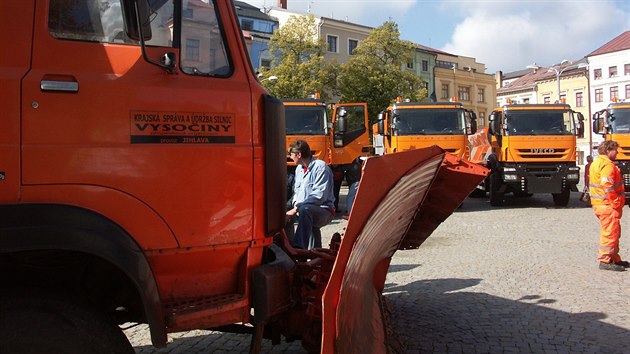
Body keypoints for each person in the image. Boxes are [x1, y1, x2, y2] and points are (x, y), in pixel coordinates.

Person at [286, 140, 335, 249]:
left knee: (306, 210)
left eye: (291, 154)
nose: (290, 157)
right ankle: (316, 255)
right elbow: (297, 193)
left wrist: (295, 210)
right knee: (302, 213)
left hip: (324, 210)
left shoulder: (321, 168)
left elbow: (319, 196)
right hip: (304, 210)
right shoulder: (299, 169)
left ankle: (299, 248)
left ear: (299, 155)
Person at [589, 141, 628, 271]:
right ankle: (605, 259)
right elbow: (607, 185)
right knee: (610, 233)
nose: (617, 153)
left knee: (614, 232)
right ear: (608, 151)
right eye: (615, 150)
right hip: (607, 205)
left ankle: (614, 258)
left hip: (600, 204)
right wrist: (616, 202)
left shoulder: (596, 163)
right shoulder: (607, 165)